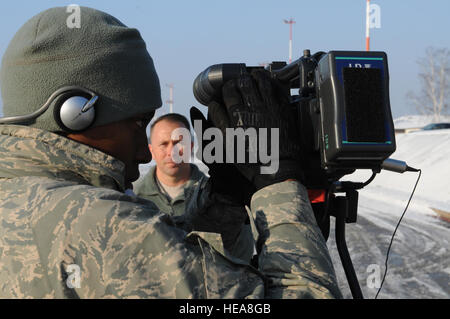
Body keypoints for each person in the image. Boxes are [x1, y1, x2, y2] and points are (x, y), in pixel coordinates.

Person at [0, 6, 342, 298]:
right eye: (138, 124)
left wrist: (222, 200)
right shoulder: (103, 224)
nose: (145, 153)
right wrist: (279, 177)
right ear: (75, 111)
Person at [134, 113, 255, 262]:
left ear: (191, 146)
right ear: (151, 150)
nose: (172, 152)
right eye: (164, 144)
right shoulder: (133, 198)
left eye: (178, 142)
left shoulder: (221, 194)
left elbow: (242, 253)